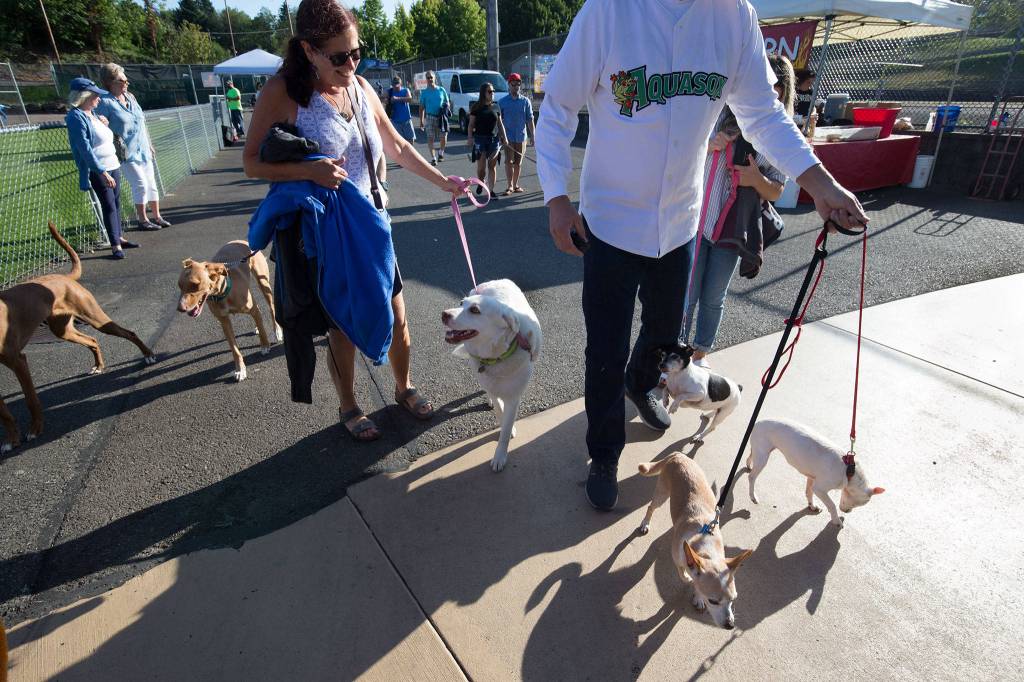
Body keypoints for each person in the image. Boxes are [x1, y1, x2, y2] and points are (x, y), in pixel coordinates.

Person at [535, 0, 869, 511]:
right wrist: (557, 196)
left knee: (665, 335)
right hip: (609, 222)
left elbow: (761, 112)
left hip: (678, 222)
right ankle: (603, 453)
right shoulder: (609, 11)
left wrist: (818, 181)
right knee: (604, 349)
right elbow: (557, 107)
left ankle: (641, 382)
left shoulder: (734, 16)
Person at [243, 0, 462, 441]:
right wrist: (309, 170)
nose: (350, 63)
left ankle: (403, 387)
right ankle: (349, 405)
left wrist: (444, 181)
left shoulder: (360, 87)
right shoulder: (283, 94)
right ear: (309, 50)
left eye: (355, 52)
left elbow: (396, 145)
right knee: (341, 329)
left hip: (373, 227)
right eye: (339, 56)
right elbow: (252, 163)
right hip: (325, 234)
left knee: (398, 314)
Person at [683, 54, 796, 369]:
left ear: (783, 94)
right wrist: (709, 144)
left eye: (775, 89)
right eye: (761, 86)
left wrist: (756, 179)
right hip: (694, 221)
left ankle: (700, 354)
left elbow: (776, 189)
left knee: (713, 297)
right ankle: (676, 355)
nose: (766, 94)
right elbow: (683, 150)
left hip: (732, 230)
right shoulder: (720, 113)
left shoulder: (777, 132)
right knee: (686, 296)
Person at [65, 77, 140, 260]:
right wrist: (102, 172)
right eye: (95, 95)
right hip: (99, 169)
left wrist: (103, 123)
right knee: (108, 205)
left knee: (116, 203)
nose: (98, 99)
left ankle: (119, 237)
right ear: (84, 96)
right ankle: (115, 245)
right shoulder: (76, 117)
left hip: (113, 164)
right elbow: (85, 149)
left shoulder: (95, 115)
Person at [96, 63, 171, 231]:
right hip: (125, 152)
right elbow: (98, 125)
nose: (126, 83)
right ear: (111, 82)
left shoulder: (131, 97)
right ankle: (143, 219)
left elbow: (142, 123)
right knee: (140, 184)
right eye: (122, 80)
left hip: (143, 148)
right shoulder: (105, 102)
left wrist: (149, 143)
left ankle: (157, 216)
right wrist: (103, 123)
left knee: (151, 183)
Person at [467, 82, 508, 200]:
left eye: (493, 91)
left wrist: (504, 138)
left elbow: (500, 124)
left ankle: (491, 191)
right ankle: (481, 181)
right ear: (483, 93)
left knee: (492, 166)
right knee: (481, 168)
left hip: (494, 140)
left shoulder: (496, 107)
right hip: (480, 139)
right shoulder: (476, 107)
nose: (492, 93)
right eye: (490, 91)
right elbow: (470, 125)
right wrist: (470, 138)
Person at [498, 72, 534, 195]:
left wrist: (533, 136)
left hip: (521, 136)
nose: (516, 87)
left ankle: (515, 184)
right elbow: (498, 120)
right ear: (509, 85)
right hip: (508, 138)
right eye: (513, 84)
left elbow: (530, 119)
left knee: (518, 163)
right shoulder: (502, 102)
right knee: (509, 161)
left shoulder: (525, 101)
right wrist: (500, 136)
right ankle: (509, 186)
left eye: (518, 84)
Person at [418, 71, 449, 165]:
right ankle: (433, 158)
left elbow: (448, 102)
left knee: (443, 137)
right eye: (428, 78)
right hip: (430, 117)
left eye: (431, 77)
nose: (430, 79)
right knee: (430, 138)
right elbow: (421, 108)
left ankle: (441, 152)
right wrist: (421, 121)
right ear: (426, 80)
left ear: (434, 78)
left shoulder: (441, 90)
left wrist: (446, 107)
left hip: (441, 117)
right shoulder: (424, 93)